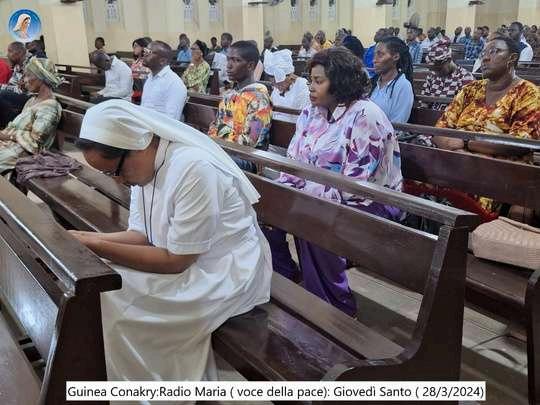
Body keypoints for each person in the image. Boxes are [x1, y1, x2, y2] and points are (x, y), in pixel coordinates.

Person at [71, 99, 271, 387]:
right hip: (181, 258)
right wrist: (84, 239)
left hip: (223, 272)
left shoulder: (194, 168)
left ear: (135, 145)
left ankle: (157, 389)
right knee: (96, 280)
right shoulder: (145, 166)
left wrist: (93, 244)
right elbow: (141, 234)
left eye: (115, 171)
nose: (119, 181)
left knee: (108, 296)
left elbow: (177, 261)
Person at [265, 47, 402, 316]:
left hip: (373, 200)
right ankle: (288, 279)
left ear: (339, 82)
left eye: (319, 81)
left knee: (312, 218)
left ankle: (336, 308)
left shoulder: (365, 115)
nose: (311, 87)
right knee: (266, 206)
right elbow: (294, 162)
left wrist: (301, 199)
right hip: (320, 195)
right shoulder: (310, 112)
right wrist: (280, 194)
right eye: (310, 80)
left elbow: (355, 184)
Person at [435, 36, 539, 154]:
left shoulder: (528, 93)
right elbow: (440, 129)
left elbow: (522, 141)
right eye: (483, 54)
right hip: (455, 158)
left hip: (501, 164)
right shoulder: (471, 89)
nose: (485, 58)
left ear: (512, 58)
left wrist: (466, 142)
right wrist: (457, 151)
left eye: (493, 51)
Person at [208, 41, 272, 170]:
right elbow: (213, 127)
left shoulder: (259, 98)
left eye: (236, 60)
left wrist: (220, 136)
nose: (229, 65)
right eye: (228, 59)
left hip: (249, 159)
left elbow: (250, 141)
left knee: (206, 160)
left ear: (250, 66)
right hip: (225, 151)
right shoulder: (229, 95)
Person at [0, 58, 62, 172]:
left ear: (41, 78)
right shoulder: (32, 100)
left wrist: (9, 136)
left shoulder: (49, 107)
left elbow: (35, 143)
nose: (24, 80)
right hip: (12, 145)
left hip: (24, 152)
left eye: (28, 75)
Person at [370, 36, 414, 123]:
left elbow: (398, 123)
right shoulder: (373, 82)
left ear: (395, 57)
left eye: (380, 55)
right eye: (374, 55)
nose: (374, 60)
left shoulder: (403, 86)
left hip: (386, 131)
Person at [420, 39, 474, 110]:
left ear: (449, 60)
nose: (437, 73)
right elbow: (424, 101)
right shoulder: (432, 76)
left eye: (439, 69)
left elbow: (465, 108)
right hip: (430, 114)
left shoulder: (465, 77)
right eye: (434, 70)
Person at [141, 41, 187, 120]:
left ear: (162, 61)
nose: (144, 54)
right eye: (145, 51)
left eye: (149, 52)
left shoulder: (175, 84)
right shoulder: (150, 78)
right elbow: (144, 107)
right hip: (143, 123)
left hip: (156, 127)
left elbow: (171, 120)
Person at [263, 49, 310, 123]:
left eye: (278, 83)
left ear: (289, 77)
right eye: (273, 83)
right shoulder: (277, 87)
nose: (276, 86)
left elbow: (302, 117)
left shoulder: (302, 86)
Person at [0, 42, 31, 127]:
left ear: (20, 53)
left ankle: (12, 123)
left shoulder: (32, 64)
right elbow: (12, 85)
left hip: (32, 98)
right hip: (21, 94)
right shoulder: (17, 66)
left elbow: (23, 89)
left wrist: (2, 87)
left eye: (10, 51)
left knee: (2, 94)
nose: (7, 55)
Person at [130, 37, 152, 103]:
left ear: (143, 47)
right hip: (134, 88)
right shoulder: (135, 61)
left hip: (143, 89)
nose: (134, 48)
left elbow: (145, 77)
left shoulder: (147, 61)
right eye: (133, 46)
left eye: (136, 46)